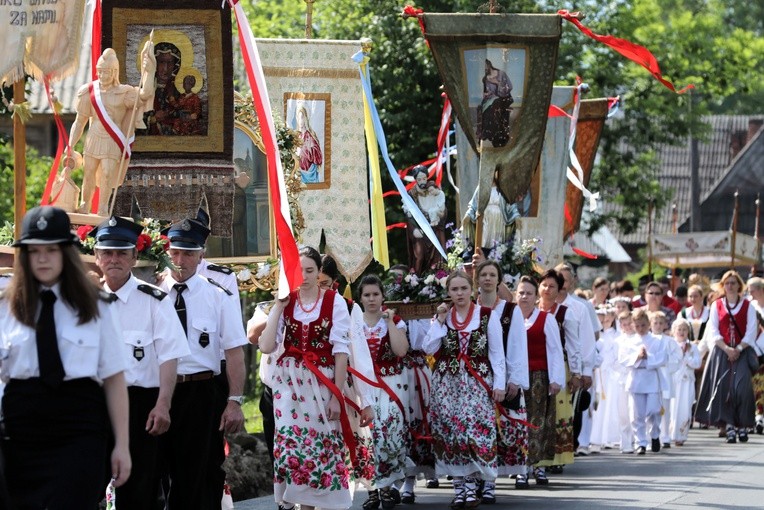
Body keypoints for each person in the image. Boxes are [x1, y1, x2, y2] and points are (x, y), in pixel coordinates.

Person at [0, 206, 130, 508]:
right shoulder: (6, 307)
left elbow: (113, 378)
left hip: (78, 425)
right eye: (34, 251)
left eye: (51, 250)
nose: (42, 259)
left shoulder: (97, 306)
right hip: (21, 429)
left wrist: (122, 445)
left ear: (66, 253)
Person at [91, 216, 189, 510]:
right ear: (97, 257)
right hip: (94, 404)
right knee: (85, 487)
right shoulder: (85, 301)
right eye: (107, 252)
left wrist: (163, 404)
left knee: (140, 491)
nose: (114, 259)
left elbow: (169, 356)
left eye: (122, 252)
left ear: (135, 257)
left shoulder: (155, 300)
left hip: (140, 405)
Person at [157, 218, 248, 508]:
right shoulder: (152, 293)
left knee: (203, 473)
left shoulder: (217, 296)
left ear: (201, 255)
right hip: (158, 393)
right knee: (158, 474)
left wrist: (234, 401)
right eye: (174, 253)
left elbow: (235, 352)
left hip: (201, 393)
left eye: (188, 253)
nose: (180, 260)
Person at [259, 246, 355, 510]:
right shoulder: (287, 301)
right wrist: (277, 308)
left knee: (320, 446)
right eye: (298, 270)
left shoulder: (334, 301)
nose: (304, 276)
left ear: (319, 271)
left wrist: (337, 396)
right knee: (292, 445)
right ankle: (300, 504)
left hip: (321, 381)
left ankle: (316, 504)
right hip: (288, 384)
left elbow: (341, 352)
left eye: (310, 270)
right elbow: (266, 346)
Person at [424, 270, 506, 508]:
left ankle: (472, 488)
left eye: (463, 289)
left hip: (476, 382)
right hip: (447, 384)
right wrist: (438, 321)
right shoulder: (443, 317)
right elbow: (428, 348)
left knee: (473, 432)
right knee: (451, 434)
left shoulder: (486, 315)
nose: (459, 293)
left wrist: (499, 384)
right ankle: (460, 488)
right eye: (454, 289)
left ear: (472, 290)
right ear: (448, 292)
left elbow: (497, 353)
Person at [68, 46, 156, 215]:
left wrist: (149, 71)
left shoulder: (125, 93)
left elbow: (145, 94)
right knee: (89, 173)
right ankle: (85, 204)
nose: (102, 76)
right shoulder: (89, 91)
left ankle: (103, 207)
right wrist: (71, 145)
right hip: (93, 137)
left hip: (112, 139)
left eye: (106, 72)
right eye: (99, 72)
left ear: (114, 72)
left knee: (108, 173)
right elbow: (79, 122)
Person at [474, 260, 528, 502]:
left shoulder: (510, 310)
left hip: (502, 377)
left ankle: (489, 482)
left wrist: (514, 379)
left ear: (499, 280)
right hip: (474, 378)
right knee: (475, 431)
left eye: (492, 274)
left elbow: (517, 346)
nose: (487, 278)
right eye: (483, 274)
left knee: (497, 432)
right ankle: (475, 478)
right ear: (476, 279)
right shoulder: (469, 307)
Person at [357, 275, 409, 510]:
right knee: (366, 437)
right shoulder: (353, 323)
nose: (371, 299)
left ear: (383, 297)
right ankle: (371, 489)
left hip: (390, 385)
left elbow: (401, 351)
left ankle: (387, 487)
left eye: (375, 294)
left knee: (388, 434)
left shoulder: (394, 321)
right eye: (367, 295)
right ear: (360, 298)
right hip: (363, 386)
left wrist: (389, 323)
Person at [513, 275, 565, 489]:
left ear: (536, 297)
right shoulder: (509, 319)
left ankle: (538, 467)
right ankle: (519, 469)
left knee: (537, 423)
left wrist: (555, 379)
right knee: (517, 423)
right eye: (521, 292)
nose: (524, 296)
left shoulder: (545, 319)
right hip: (515, 379)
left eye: (529, 293)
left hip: (538, 378)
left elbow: (555, 350)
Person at [695, 270, 759, 443]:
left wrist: (738, 348)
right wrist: (726, 348)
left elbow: (751, 330)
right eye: (727, 283)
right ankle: (729, 425)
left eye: (733, 283)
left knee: (742, 388)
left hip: (742, 351)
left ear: (739, 285)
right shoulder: (717, 305)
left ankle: (743, 424)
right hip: (722, 352)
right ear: (723, 286)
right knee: (724, 389)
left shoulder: (748, 306)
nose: (730, 286)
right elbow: (713, 330)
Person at [536, 269, 583, 463]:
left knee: (559, 411)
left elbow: (573, 345)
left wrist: (576, 373)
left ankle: (556, 458)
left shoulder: (565, 313)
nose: (547, 289)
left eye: (552, 286)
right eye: (544, 285)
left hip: (560, 366)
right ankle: (536, 456)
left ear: (559, 289)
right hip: (536, 365)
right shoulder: (528, 309)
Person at [618, 308, 668, 454]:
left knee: (654, 410)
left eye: (643, 325)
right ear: (633, 325)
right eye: (637, 325)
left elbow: (663, 358)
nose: (640, 328)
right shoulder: (629, 342)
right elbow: (623, 359)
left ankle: (655, 434)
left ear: (648, 324)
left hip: (652, 378)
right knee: (637, 414)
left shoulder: (657, 340)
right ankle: (640, 442)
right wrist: (637, 357)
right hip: (636, 379)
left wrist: (648, 357)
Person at [404, 165, 447, 274]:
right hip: (421, 230)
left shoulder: (432, 190)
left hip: (434, 228)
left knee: (437, 256)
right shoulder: (411, 195)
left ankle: (436, 277)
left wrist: (441, 214)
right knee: (419, 255)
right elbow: (409, 216)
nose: (422, 181)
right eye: (419, 179)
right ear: (415, 180)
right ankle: (417, 278)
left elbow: (441, 206)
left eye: (424, 178)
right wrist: (414, 229)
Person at [648, 311, 682, 449]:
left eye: (660, 323)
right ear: (650, 324)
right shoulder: (647, 339)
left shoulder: (670, 341)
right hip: (651, 377)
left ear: (665, 325)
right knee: (651, 408)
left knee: (665, 409)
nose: (657, 325)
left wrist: (666, 362)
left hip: (665, 376)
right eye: (655, 323)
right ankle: (651, 436)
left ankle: (665, 436)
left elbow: (678, 357)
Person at [668, 318, 701, 446]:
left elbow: (697, 363)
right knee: (672, 407)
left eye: (684, 329)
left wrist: (687, 357)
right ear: (674, 331)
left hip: (687, 382)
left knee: (685, 408)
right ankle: (669, 434)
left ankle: (681, 435)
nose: (681, 332)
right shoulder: (670, 345)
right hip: (674, 381)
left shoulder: (693, 347)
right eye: (679, 329)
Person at [147, 41, 182, 135]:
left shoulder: (177, 91)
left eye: (170, 63)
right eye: (161, 62)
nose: (165, 69)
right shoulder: (145, 89)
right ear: (154, 64)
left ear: (175, 65)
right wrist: (152, 119)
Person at [476, 59, 513, 147]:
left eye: (485, 67)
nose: (484, 69)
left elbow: (509, 87)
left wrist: (498, 83)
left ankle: (498, 133)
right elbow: (486, 92)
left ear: (489, 65)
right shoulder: (485, 79)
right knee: (485, 109)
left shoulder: (501, 74)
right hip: (491, 98)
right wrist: (486, 94)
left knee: (495, 105)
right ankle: (488, 132)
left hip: (504, 97)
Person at [295, 105, 324, 183]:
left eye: (302, 118)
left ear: (306, 119)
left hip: (309, 171)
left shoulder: (310, 136)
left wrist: (308, 149)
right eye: (299, 118)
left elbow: (318, 154)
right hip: (299, 171)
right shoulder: (296, 135)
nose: (300, 121)